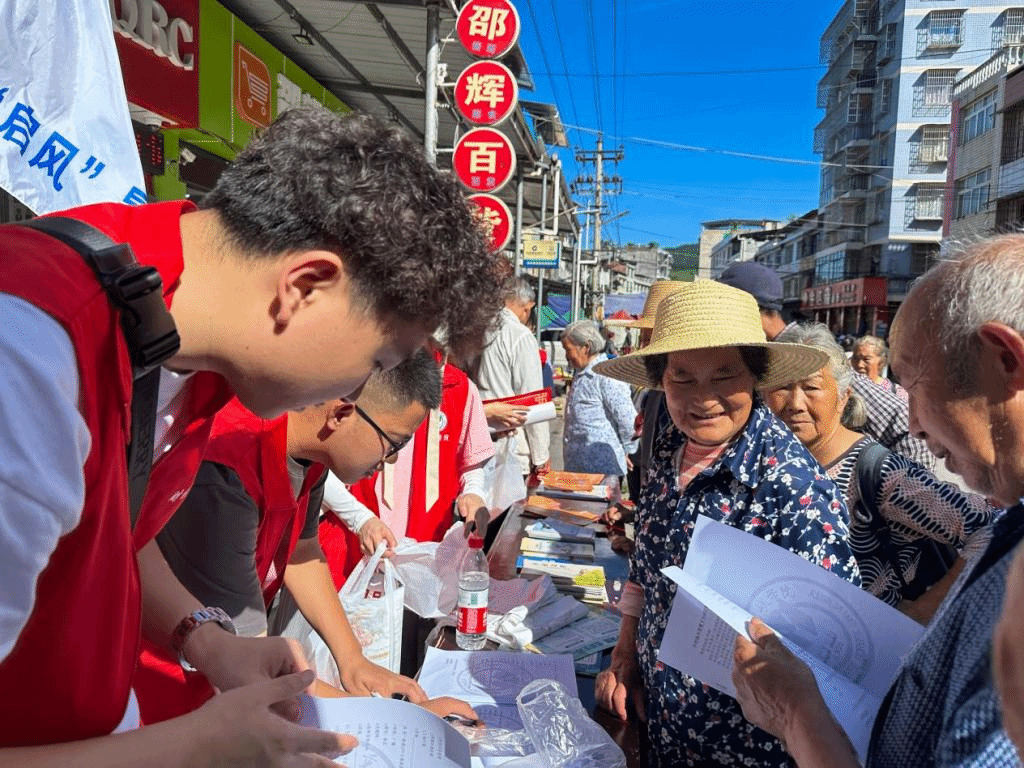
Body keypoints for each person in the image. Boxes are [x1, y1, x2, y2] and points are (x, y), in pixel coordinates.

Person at [0, 108, 503, 764]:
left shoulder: (178, 345)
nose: (355, 392)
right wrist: (196, 747)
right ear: (306, 286)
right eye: (376, 362)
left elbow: (114, 526)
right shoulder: (30, 355)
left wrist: (207, 641)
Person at [732, 236, 1024, 767]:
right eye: (780, 388)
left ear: (1005, 361)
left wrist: (797, 716)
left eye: (914, 386)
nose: (912, 424)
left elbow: (978, 525)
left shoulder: (882, 471)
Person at [592, 280, 859, 768]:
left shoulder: (794, 486)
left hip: (747, 749)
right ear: (661, 380)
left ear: (754, 377)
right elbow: (645, 570)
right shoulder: (669, 450)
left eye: (724, 375)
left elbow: (834, 645)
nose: (705, 398)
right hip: (661, 728)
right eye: (683, 378)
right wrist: (625, 654)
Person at [135, 350, 466, 724]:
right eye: (395, 444)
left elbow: (302, 552)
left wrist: (353, 660)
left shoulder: (311, 455)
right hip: (166, 690)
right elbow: (253, 665)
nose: (390, 460)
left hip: (222, 673)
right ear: (340, 414)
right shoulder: (224, 473)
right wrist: (396, 719)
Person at [765, 323, 998, 619]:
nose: (795, 404)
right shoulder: (771, 461)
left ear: (843, 397)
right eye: (783, 386)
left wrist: (924, 609)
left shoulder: (880, 473)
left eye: (811, 387)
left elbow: (993, 529)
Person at [718, 260, 935, 469]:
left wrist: (896, 485)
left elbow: (901, 422)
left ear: (750, 312)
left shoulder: (812, 351)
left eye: (723, 314)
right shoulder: (753, 356)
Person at [318, 340, 496, 586]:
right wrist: (360, 520)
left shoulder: (460, 388)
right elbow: (318, 469)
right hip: (350, 544)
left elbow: (471, 461)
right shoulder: (360, 374)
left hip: (424, 549)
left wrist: (474, 493)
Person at [605, 280, 687, 499]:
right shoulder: (655, 391)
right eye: (643, 339)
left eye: (651, 340)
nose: (644, 348)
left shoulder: (690, 401)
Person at [472, 277, 551, 478]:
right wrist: (541, 455)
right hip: (510, 444)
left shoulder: (475, 329)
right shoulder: (520, 336)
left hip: (475, 438)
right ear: (527, 307)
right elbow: (532, 398)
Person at [560, 320, 637, 478]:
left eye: (568, 350)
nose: (566, 356)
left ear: (586, 347)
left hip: (602, 471)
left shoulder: (606, 374)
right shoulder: (581, 373)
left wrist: (629, 451)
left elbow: (628, 419)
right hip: (579, 470)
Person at [852, 335, 907, 401]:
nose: (859, 365)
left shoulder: (897, 393)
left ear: (881, 362)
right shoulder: (846, 388)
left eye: (866, 359)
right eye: (856, 358)